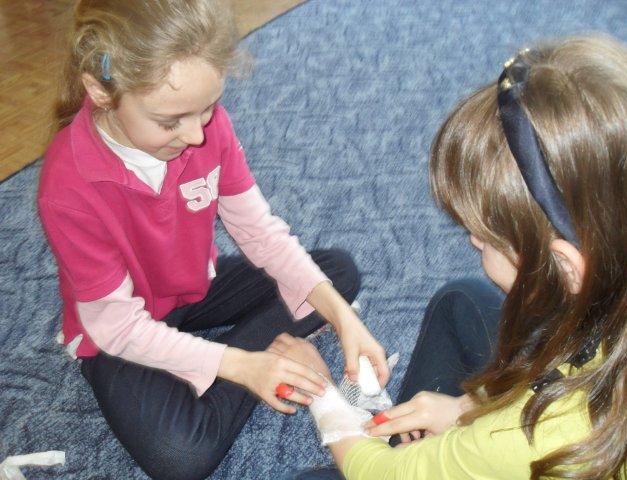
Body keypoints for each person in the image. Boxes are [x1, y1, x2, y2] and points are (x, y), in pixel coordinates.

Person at [37, 1, 389, 479]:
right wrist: (242, 366)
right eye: (171, 121)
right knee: (181, 459)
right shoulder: (68, 185)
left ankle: (244, 357)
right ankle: (253, 359)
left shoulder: (205, 126)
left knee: (336, 275)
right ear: (101, 91)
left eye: (207, 109)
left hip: (192, 286)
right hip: (117, 330)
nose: (197, 135)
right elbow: (117, 327)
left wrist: (342, 318)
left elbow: (260, 232)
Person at [281, 35, 627, 479]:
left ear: (566, 266)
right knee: (461, 301)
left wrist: (325, 398)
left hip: (529, 447)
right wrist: (464, 409)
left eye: (485, 238)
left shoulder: (529, 437)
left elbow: (382, 474)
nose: (472, 240)